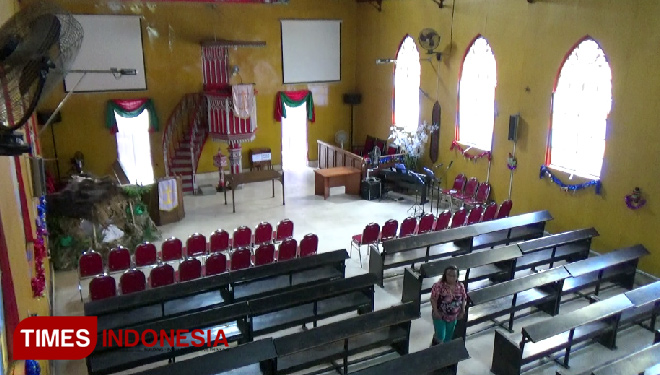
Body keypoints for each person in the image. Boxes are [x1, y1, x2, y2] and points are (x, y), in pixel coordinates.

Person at [430, 265, 467, 344]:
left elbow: (463, 298)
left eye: (454, 276)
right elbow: (433, 299)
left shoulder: (460, 286)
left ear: (457, 276)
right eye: (449, 275)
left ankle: (445, 351)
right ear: (445, 275)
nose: (451, 278)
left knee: (448, 336)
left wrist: (462, 310)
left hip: (453, 316)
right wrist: (436, 312)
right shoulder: (438, 286)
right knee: (441, 335)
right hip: (440, 314)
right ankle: (435, 346)